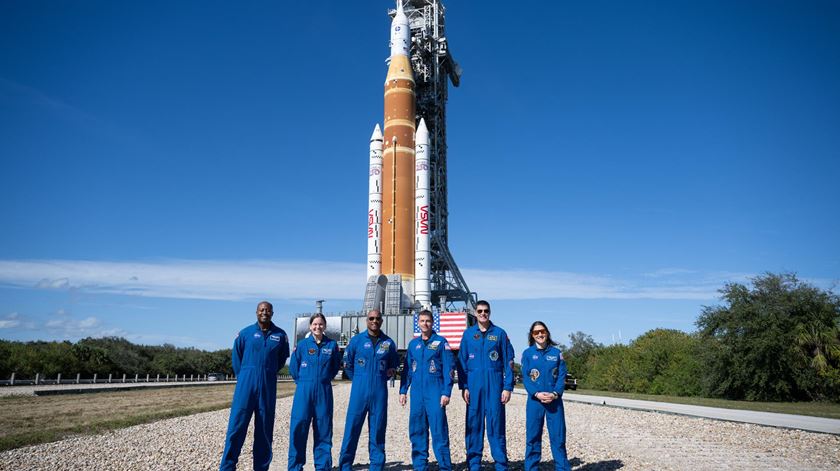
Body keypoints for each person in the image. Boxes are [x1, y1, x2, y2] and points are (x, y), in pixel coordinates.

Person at [220, 301, 290, 471]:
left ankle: (261, 467)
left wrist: (267, 371)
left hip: (267, 387)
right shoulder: (245, 334)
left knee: (265, 431)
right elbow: (237, 359)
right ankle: (227, 467)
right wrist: (245, 376)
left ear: (272, 313)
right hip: (246, 387)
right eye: (261, 310)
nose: (264, 312)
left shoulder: (280, 335)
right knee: (236, 428)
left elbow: (281, 359)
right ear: (256, 312)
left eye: (267, 310)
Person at [457, 300, 515, 470]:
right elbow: (462, 362)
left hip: (495, 386)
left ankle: (501, 464)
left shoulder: (499, 334)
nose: (483, 314)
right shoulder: (468, 335)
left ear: (490, 312)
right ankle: (474, 464)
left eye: (486, 311)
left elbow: (509, 362)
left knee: (496, 425)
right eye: (480, 311)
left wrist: (507, 387)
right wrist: (464, 386)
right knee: (473, 425)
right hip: (474, 387)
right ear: (475, 313)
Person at [338, 309, 399, 470]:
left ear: (382, 321)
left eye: (378, 318)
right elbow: (348, 365)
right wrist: (359, 379)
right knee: (352, 429)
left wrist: (381, 378)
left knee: (378, 430)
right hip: (359, 392)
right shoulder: (357, 341)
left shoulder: (388, 343)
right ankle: (345, 465)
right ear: (367, 320)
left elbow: (393, 365)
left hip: (379, 392)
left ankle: (377, 465)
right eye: (371, 318)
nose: (374, 321)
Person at [399, 310, 454, 470]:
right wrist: (403, 390)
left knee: (439, 431)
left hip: (435, 392)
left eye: (428, 321)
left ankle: (445, 466)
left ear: (433, 322)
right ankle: (419, 466)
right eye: (422, 321)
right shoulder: (413, 345)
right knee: (417, 431)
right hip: (417, 394)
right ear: (418, 323)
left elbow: (448, 369)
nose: (425, 324)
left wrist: (446, 392)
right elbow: (407, 370)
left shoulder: (441, 343)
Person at [288, 313, 341, 471]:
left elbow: (334, 367)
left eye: (321, 324)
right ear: (310, 326)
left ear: (325, 326)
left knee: (323, 430)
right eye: (315, 324)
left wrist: (323, 379)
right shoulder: (303, 345)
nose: (318, 327)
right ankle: (295, 467)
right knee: (299, 429)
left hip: (323, 391)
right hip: (304, 391)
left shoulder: (332, 345)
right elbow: (293, 368)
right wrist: (303, 382)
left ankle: (323, 467)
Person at [521, 321, 571, 471]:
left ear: (547, 332)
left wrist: (555, 394)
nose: (540, 334)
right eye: (536, 332)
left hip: (554, 401)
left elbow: (562, 376)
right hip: (535, 402)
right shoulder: (528, 353)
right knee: (533, 438)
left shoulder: (556, 353)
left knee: (558, 438)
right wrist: (536, 393)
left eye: (542, 331)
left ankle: (562, 468)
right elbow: (526, 378)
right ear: (532, 335)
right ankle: (531, 468)